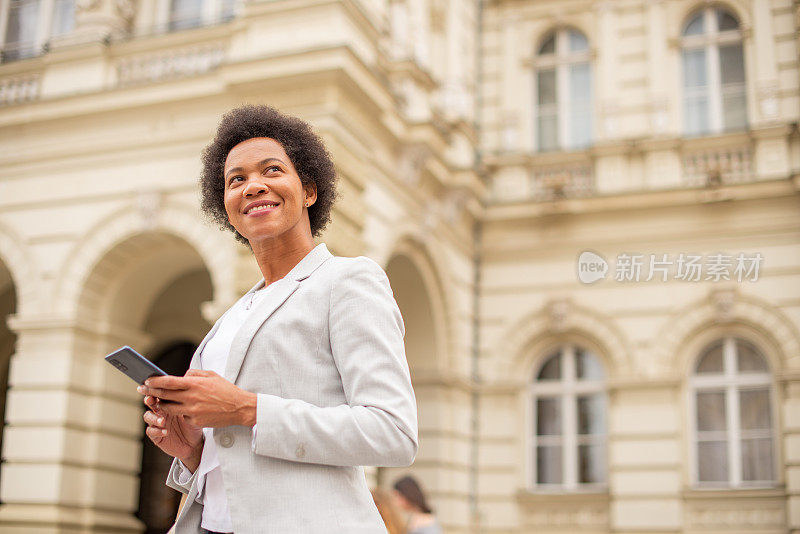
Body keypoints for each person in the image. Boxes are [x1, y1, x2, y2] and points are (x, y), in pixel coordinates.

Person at [137, 104, 418, 534]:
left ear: (308, 190)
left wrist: (246, 409)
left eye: (271, 170)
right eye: (237, 179)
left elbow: (392, 432)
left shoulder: (348, 281)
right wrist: (191, 450)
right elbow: (235, 461)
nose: (253, 186)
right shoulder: (231, 319)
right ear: (226, 207)